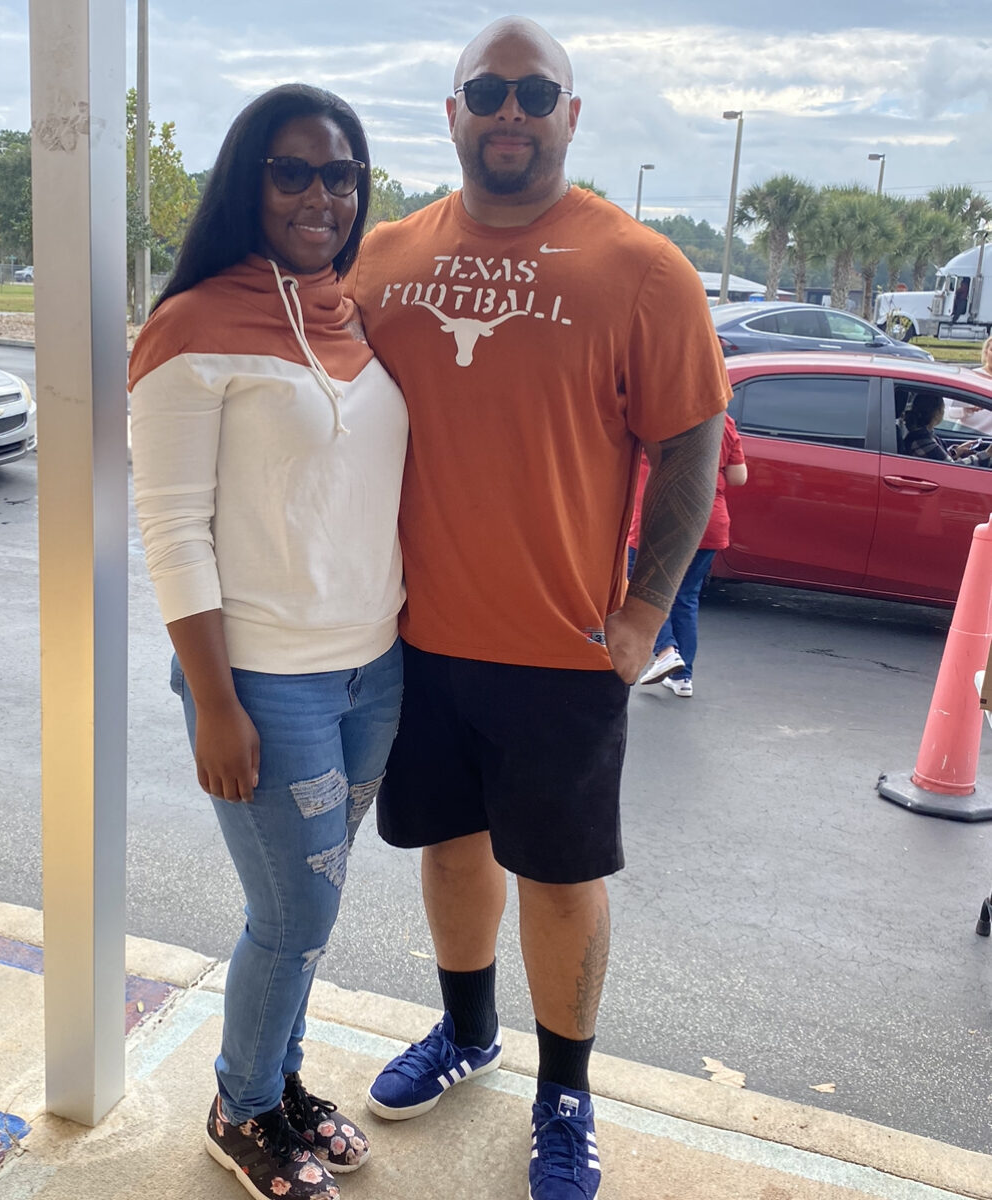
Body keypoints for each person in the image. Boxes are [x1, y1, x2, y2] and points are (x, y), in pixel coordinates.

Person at [347, 17, 729, 1200]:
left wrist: (642, 616)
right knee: (451, 854)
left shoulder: (640, 267)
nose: (508, 110)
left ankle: (566, 1094)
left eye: (534, 92)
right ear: (452, 113)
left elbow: (691, 441)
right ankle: (467, 1034)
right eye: (486, 90)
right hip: (411, 641)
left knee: (560, 879)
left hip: (563, 654)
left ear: (570, 114)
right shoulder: (385, 258)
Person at [128, 85, 408, 1200]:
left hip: (370, 672)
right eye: (293, 171)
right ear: (249, 182)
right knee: (292, 915)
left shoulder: (351, 314)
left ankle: (281, 1083)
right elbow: (172, 532)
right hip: (261, 684)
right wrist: (218, 701)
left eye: (340, 174)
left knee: (316, 909)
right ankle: (239, 1108)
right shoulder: (192, 326)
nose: (320, 195)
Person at [634, 415, 747, 697]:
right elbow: (738, 477)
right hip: (708, 521)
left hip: (661, 519)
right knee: (685, 597)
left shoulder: (655, 415)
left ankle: (666, 652)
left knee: (641, 590)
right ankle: (683, 678)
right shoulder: (725, 422)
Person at [899, 393, 992, 466]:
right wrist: (987, 454)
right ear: (937, 413)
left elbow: (938, 459)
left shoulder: (923, 435)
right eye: (943, 409)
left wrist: (956, 451)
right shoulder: (922, 441)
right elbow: (952, 469)